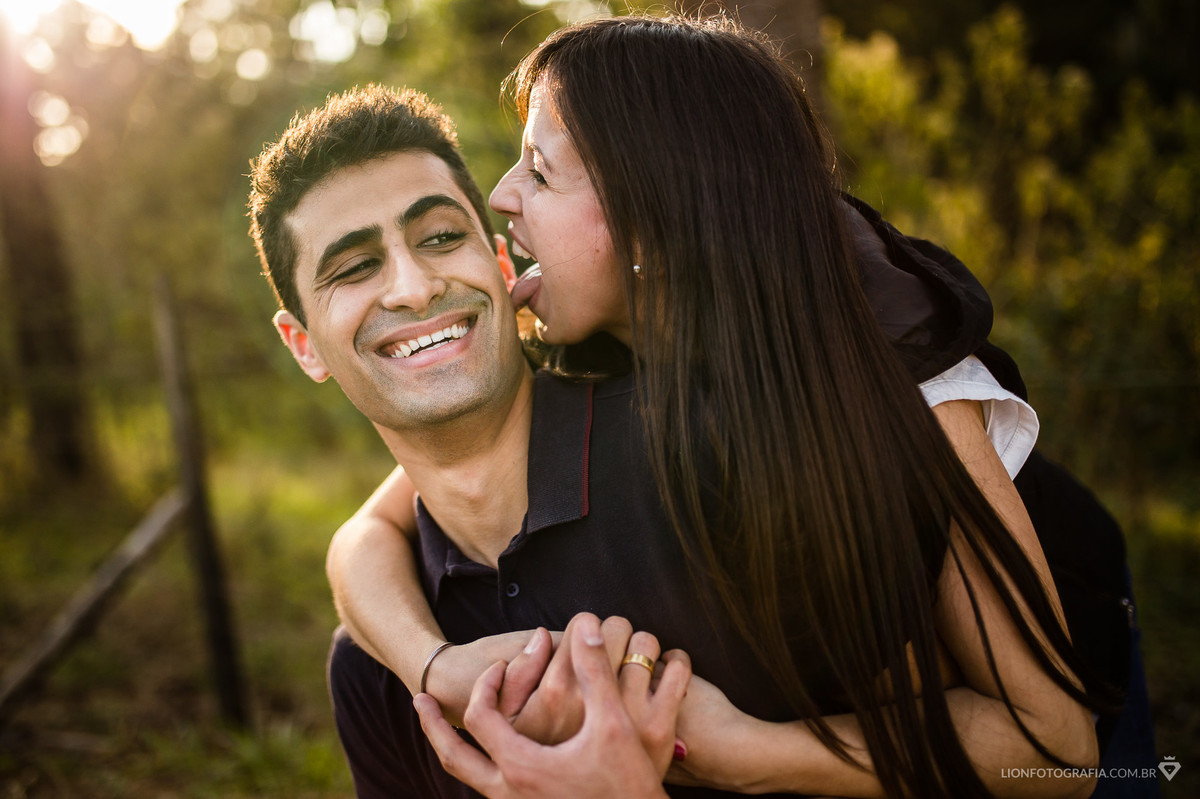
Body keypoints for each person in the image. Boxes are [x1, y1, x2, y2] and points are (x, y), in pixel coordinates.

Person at [247, 21, 1110, 799]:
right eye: (355, 266)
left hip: (1078, 654)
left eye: (539, 174)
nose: (506, 200)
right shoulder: (585, 352)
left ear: (650, 224)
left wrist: (744, 748)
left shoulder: (847, 375)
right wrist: (427, 663)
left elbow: (1053, 751)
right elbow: (377, 524)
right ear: (303, 342)